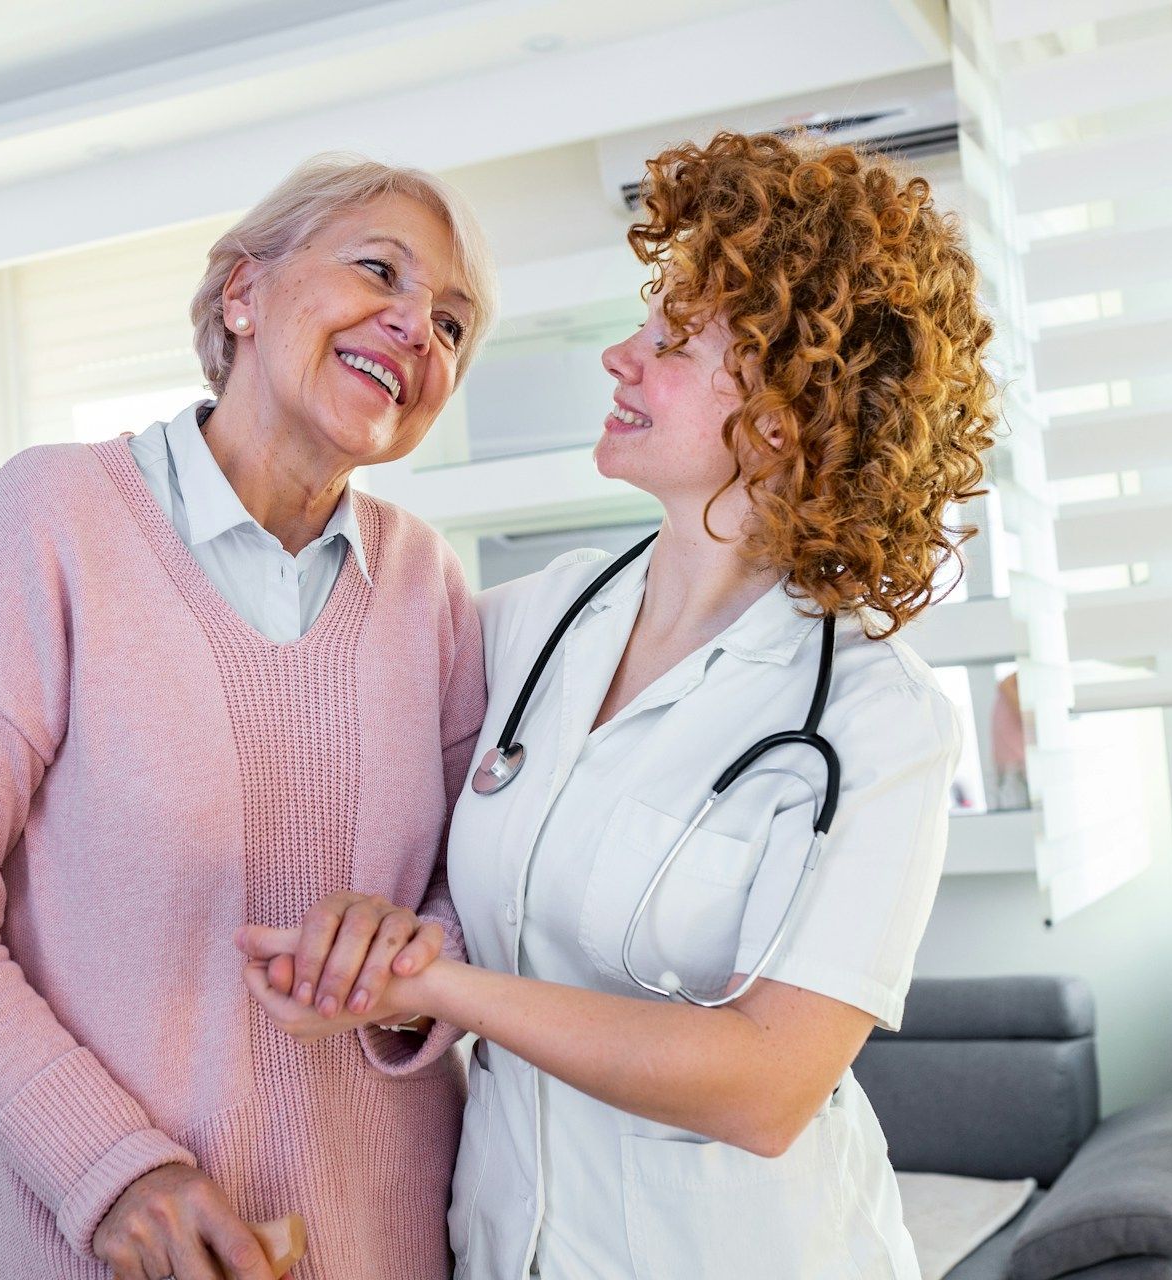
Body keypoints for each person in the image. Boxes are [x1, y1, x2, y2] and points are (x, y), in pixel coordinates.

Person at [240, 131, 998, 1278]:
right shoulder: (534, 621)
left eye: (673, 340)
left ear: (789, 410)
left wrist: (441, 984)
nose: (619, 357)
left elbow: (767, 1084)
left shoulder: (875, 718)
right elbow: (289, 670)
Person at [0, 154, 497, 1280]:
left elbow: (467, 889)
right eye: (378, 270)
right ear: (242, 295)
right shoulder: (52, 518)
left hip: (398, 1235)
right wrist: (111, 1168)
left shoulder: (430, 586)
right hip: (122, 1245)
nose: (417, 327)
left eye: (451, 323)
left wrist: (416, 952)